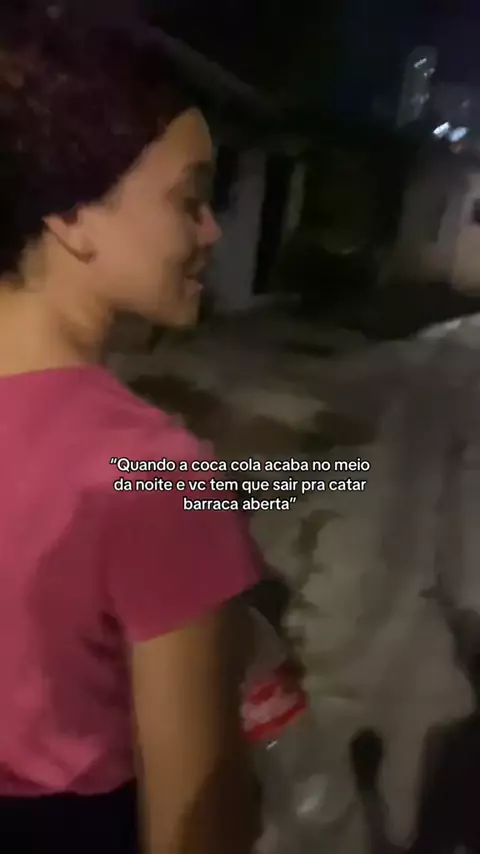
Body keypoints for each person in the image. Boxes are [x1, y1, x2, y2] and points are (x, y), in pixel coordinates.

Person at [0, 6, 262, 853]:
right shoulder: (155, 472)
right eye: (191, 199)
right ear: (71, 215)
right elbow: (199, 828)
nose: (212, 231)